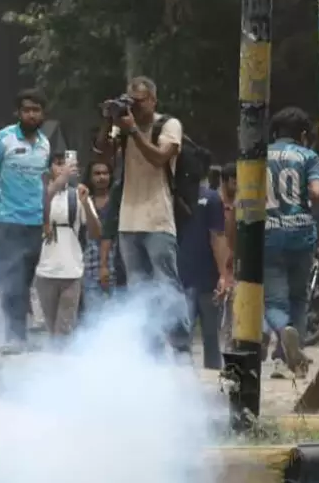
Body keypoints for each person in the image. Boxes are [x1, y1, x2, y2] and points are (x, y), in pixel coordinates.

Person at [102, 77, 186, 353]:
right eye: (130, 101)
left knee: (166, 283)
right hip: (128, 219)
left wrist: (134, 131)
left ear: (152, 100)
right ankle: (151, 349)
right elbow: (102, 154)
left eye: (139, 101)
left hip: (158, 218)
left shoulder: (168, 125)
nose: (135, 107)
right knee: (139, 289)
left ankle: (180, 344)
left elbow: (159, 157)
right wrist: (110, 121)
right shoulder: (123, 127)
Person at [0, 91, 52, 354]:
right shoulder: (2, 139)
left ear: (43, 113)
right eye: (27, 110)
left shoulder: (44, 144)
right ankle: (14, 336)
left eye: (37, 110)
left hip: (34, 221)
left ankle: (21, 334)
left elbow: (43, 183)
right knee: (13, 277)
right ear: (18, 113)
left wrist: (46, 219)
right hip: (7, 219)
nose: (32, 114)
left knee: (27, 278)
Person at [265, 106, 319, 371]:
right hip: (301, 235)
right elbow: (317, 192)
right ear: (303, 134)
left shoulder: (259, 156)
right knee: (299, 298)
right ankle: (291, 356)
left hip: (268, 235)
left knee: (274, 301)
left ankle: (283, 330)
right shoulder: (308, 156)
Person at [31, 150, 102, 343]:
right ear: (49, 168)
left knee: (64, 329)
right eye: (58, 163)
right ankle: (54, 367)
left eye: (67, 164)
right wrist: (58, 183)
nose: (63, 168)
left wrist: (85, 203)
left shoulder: (77, 195)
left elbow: (96, 232)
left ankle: (60, 366)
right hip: (44, 270)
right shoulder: (40, 194)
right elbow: (36, 213)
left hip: (71, 271)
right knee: (49, 327)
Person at [174, 163, 235, 369]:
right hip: (204, 276)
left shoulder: (173, 197)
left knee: (186, 333)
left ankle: (182, 377)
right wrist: (223, 275)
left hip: (185, 274)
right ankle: (210, 373)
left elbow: (217, 238)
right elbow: (217, 238)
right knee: (209, 335)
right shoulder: (211, 198)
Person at [80, 157, 117, 316]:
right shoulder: (83, 201)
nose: (101, 177)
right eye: (97, 173)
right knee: (93, 319)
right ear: (89, 177)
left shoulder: (118, 201)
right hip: (89, 265)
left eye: (105, 173)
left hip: (116, 264)